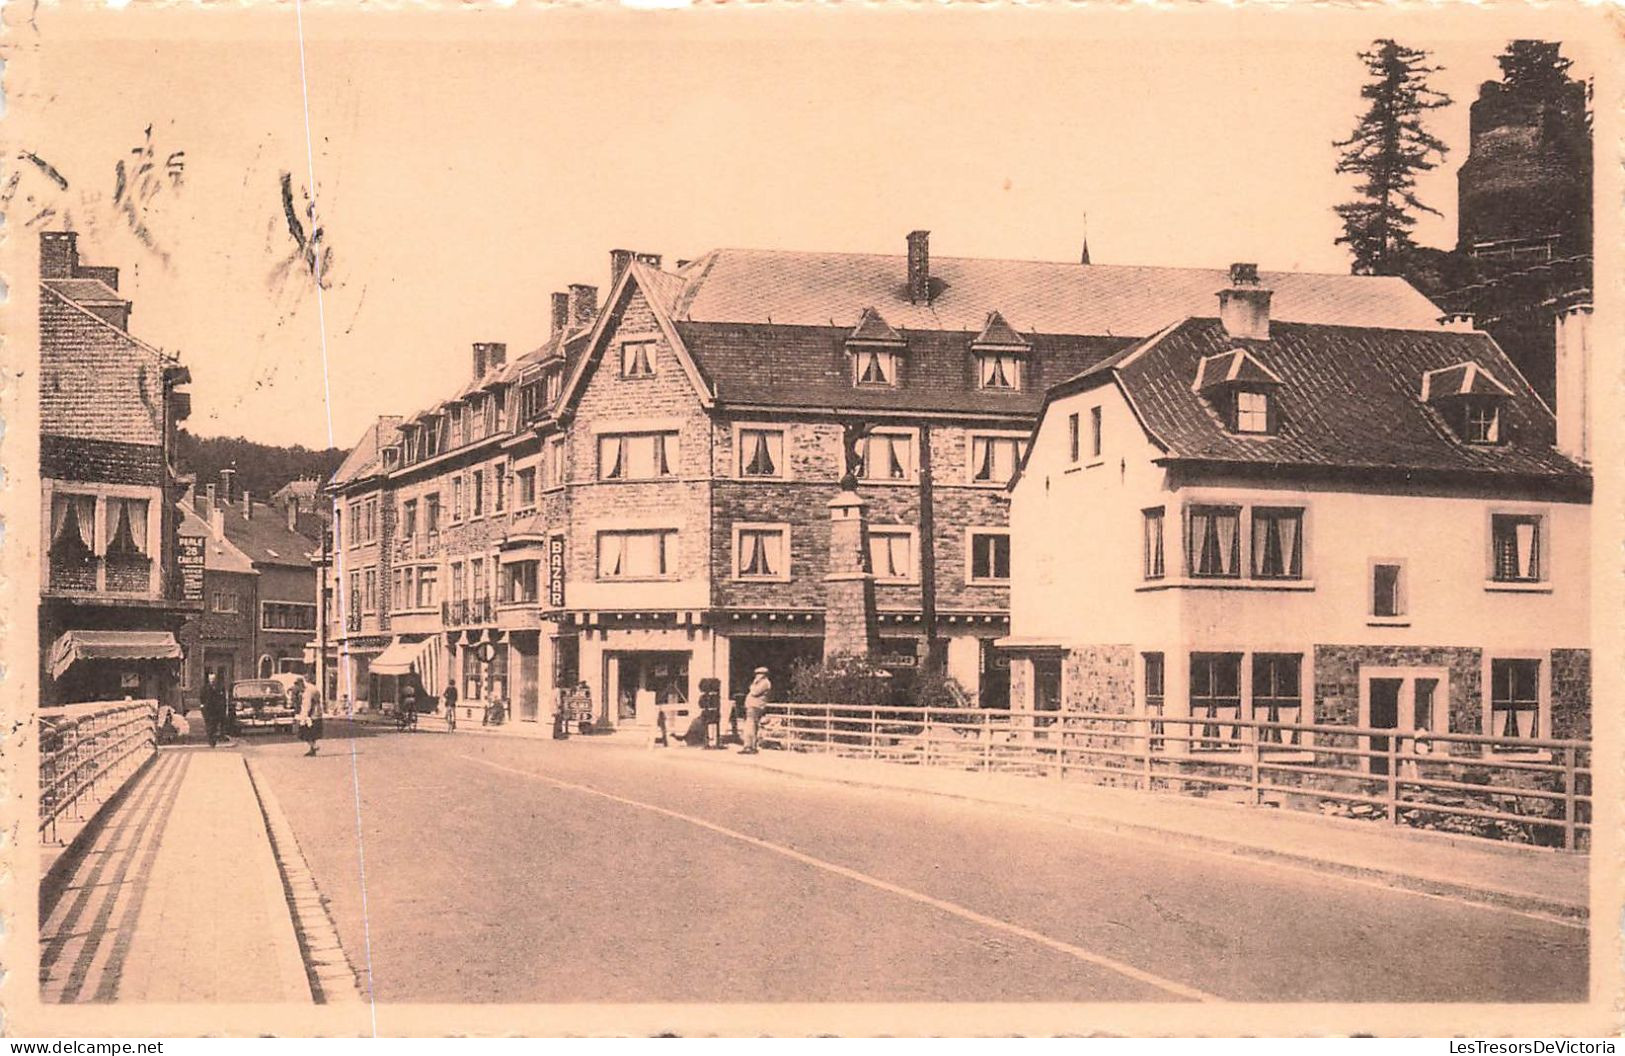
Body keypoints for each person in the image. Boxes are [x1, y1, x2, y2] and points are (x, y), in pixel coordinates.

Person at [741, 666, 772, 754]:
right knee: (750, 726)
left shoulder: (764, 683)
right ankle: (749, 745)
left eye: (759, 674)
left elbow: (754, 692)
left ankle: (750, 746)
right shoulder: (759, 683)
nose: (757, 676)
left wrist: (752, 686)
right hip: (752, 706)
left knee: (751, 726)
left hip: (756, 706)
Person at [294, 677, 323, 755]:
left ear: (300, 684)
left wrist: (303, 718)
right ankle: (312, 750)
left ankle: (314, 746)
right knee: (312, 733)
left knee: (303, 732)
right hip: (317, 713)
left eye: (298, 687)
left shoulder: (308, 691)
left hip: (312, 714)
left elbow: (307, 706)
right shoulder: (311, 687)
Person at [202, 671, 228, 748]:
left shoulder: (220, 687)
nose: (212, 680)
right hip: (208, 710)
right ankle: (211, 740)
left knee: (215, 726)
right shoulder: (205, 688)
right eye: (210, 679)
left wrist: (223, 708)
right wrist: (203, 707)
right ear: (208, 679)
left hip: (217, 711)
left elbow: (223, 699)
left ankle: (215, 739)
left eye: (213, 679)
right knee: (210, 726)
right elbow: (202, 698)